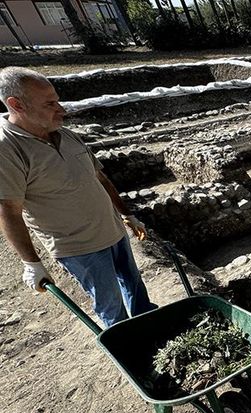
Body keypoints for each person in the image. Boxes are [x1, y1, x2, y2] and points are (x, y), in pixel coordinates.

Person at [0, 67, 156, 328]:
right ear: (17, 105)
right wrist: (31, 263)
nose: (61, 109)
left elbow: (101, 179)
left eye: (57, 100)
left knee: (135, 287)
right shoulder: (7, 149)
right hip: (80, 248)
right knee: (111, 308)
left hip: (113, 231)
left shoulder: (67, 135)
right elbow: (8, 210)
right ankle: (131, 353)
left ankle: (150, 327)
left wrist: (126, 214)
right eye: (50, 103)